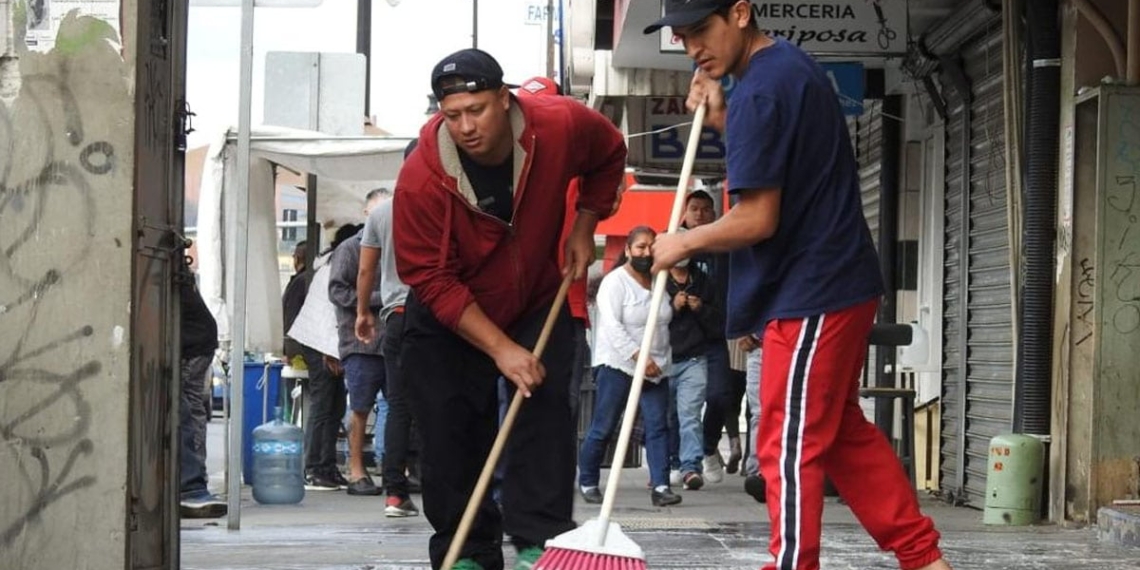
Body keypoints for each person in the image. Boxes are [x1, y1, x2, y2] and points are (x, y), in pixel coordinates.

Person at [644, 2, 951, 570]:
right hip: (831, 283)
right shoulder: (783, 69)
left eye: (700, 32)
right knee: (837, 433)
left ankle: (791, 564)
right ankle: (923, 558)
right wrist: (721, 123)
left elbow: (757, 219)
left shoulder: (761, 91)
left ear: (739, 12)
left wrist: (682, 242)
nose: (693, 51)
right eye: (683, 39)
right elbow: (784, 161)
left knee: (786, 441)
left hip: (812, 290)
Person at [392, 48, 625, 570]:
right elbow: (430, 277)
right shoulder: (421, 180)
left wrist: (585, 226)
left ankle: (538, 544)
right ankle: (467, 551)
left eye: (477, 109)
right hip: (452, 307)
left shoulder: (559, 123)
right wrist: (501, 350)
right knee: (449, 426)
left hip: (535, 293)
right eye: (453, 116)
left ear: (504, 98)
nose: (466, 127)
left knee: (543, 413)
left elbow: (609, 152)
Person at [578, 226, 678, 508]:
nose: (646, 253)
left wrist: (657, 361)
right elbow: (612, 326)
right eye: (640, 247)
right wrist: (639, 357)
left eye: (651, 247)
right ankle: (587, 480)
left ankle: (661, 486)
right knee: (604, 425)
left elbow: (664, 323)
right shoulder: (615, 283)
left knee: (659, 426)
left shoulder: (661, 280)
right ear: (628, 251)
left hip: (656, 367)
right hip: (619, 364)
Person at [356, 142, 424, 518]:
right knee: (443, 400)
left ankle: (395, 494)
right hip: (438, 314)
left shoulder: (381, 214)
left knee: (398, 405)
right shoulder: (443, 205)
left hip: (396, 313)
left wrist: (364, 311)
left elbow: (366, 270)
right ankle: (448, 487)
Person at [329, 191, 391, 496]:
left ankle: (397, 469)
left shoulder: (397, 247)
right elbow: (337, 291)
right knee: (361, 407)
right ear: (366, 215)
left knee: (399, 406)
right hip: (360, 343)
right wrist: (376, 301)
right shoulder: (348, 250)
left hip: (392, 341)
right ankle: (355, 469)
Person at [662, 227, 721, 492]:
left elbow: (718, 322)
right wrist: (671, 308)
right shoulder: (658, 279)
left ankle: (690, 468)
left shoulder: (704, 279)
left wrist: (701, 309)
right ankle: (669, 463)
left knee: (690, 415)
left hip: (695, 358)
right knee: (666, 417)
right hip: (664, 358)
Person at [178, 256, 226, 518]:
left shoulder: (167, 273)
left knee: (183, 409)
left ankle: (191, 483)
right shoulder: (177, 271)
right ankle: (195, 480)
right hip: (200, 341)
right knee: (191, 408)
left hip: (193, 343)